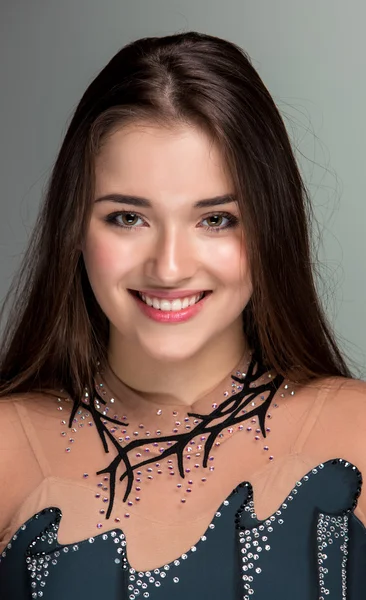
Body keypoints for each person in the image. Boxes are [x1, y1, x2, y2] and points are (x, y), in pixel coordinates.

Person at [0, 30, 365, 600]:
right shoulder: (6, 446)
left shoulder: (357, 431)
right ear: (73, 226)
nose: (168, 268)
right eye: (127, 218)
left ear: (271, 228)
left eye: (216, 219)